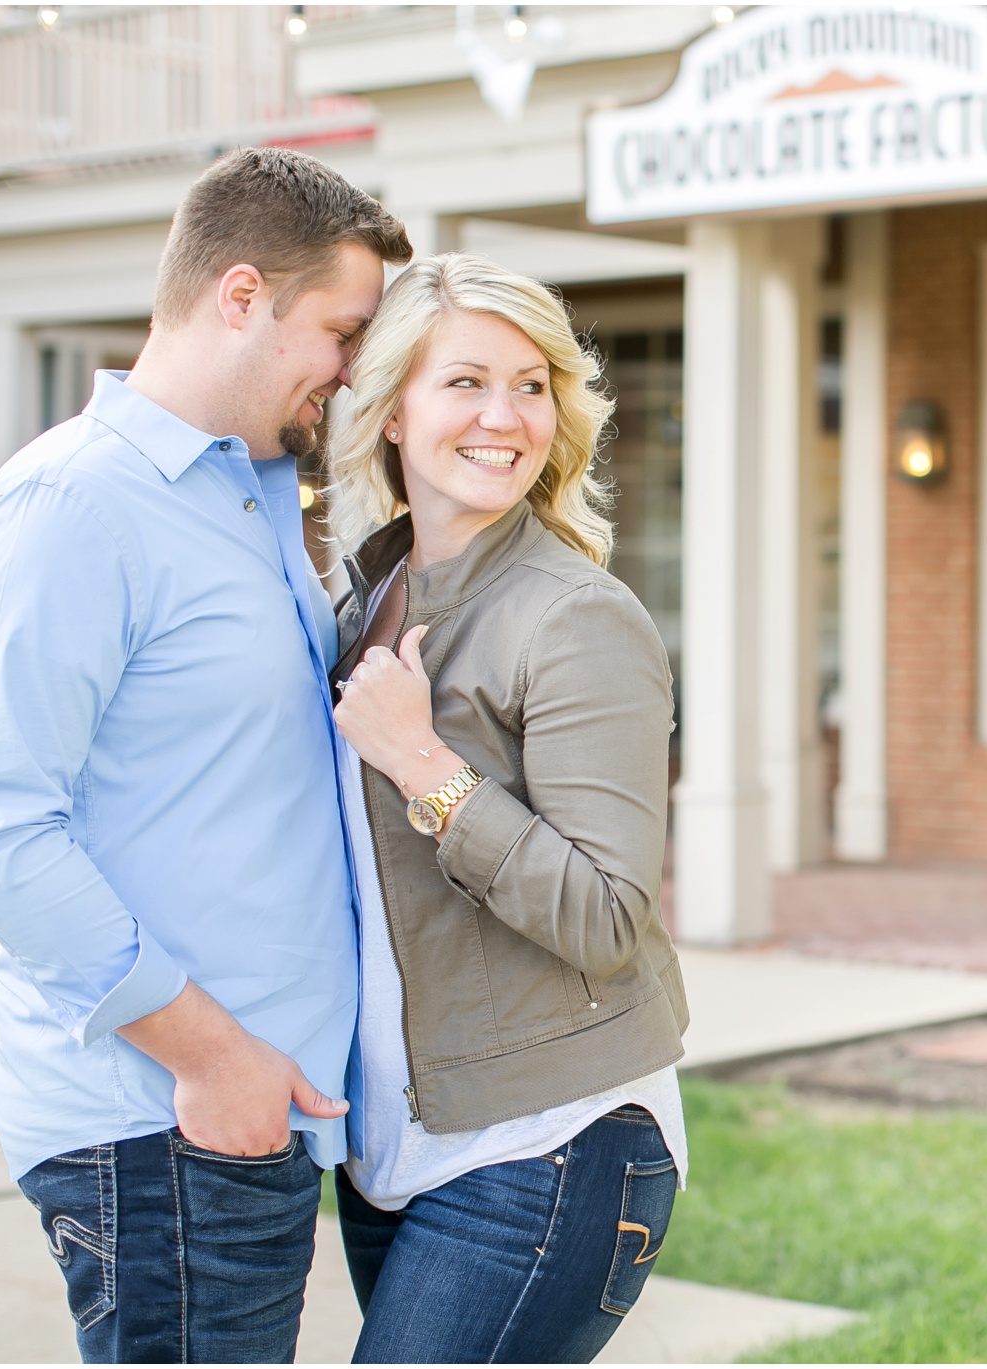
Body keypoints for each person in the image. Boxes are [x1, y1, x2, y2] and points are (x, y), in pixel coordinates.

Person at [0, 147, 411, 1363]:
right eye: (341, 332)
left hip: (244, 1121)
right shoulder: (74, 510)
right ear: (239, 295)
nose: (352, 372)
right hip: (167, 1120)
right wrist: (216, 1060)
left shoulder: (244, 496)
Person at [322, 252, 688, 1363]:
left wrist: (425, 763)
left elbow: (606, 913)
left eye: (532, 385)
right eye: (466, 382)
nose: (506, 415)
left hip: (546, 1144)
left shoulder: (574, 615)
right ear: (391, 410)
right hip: (395, 1145)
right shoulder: (365, 592)